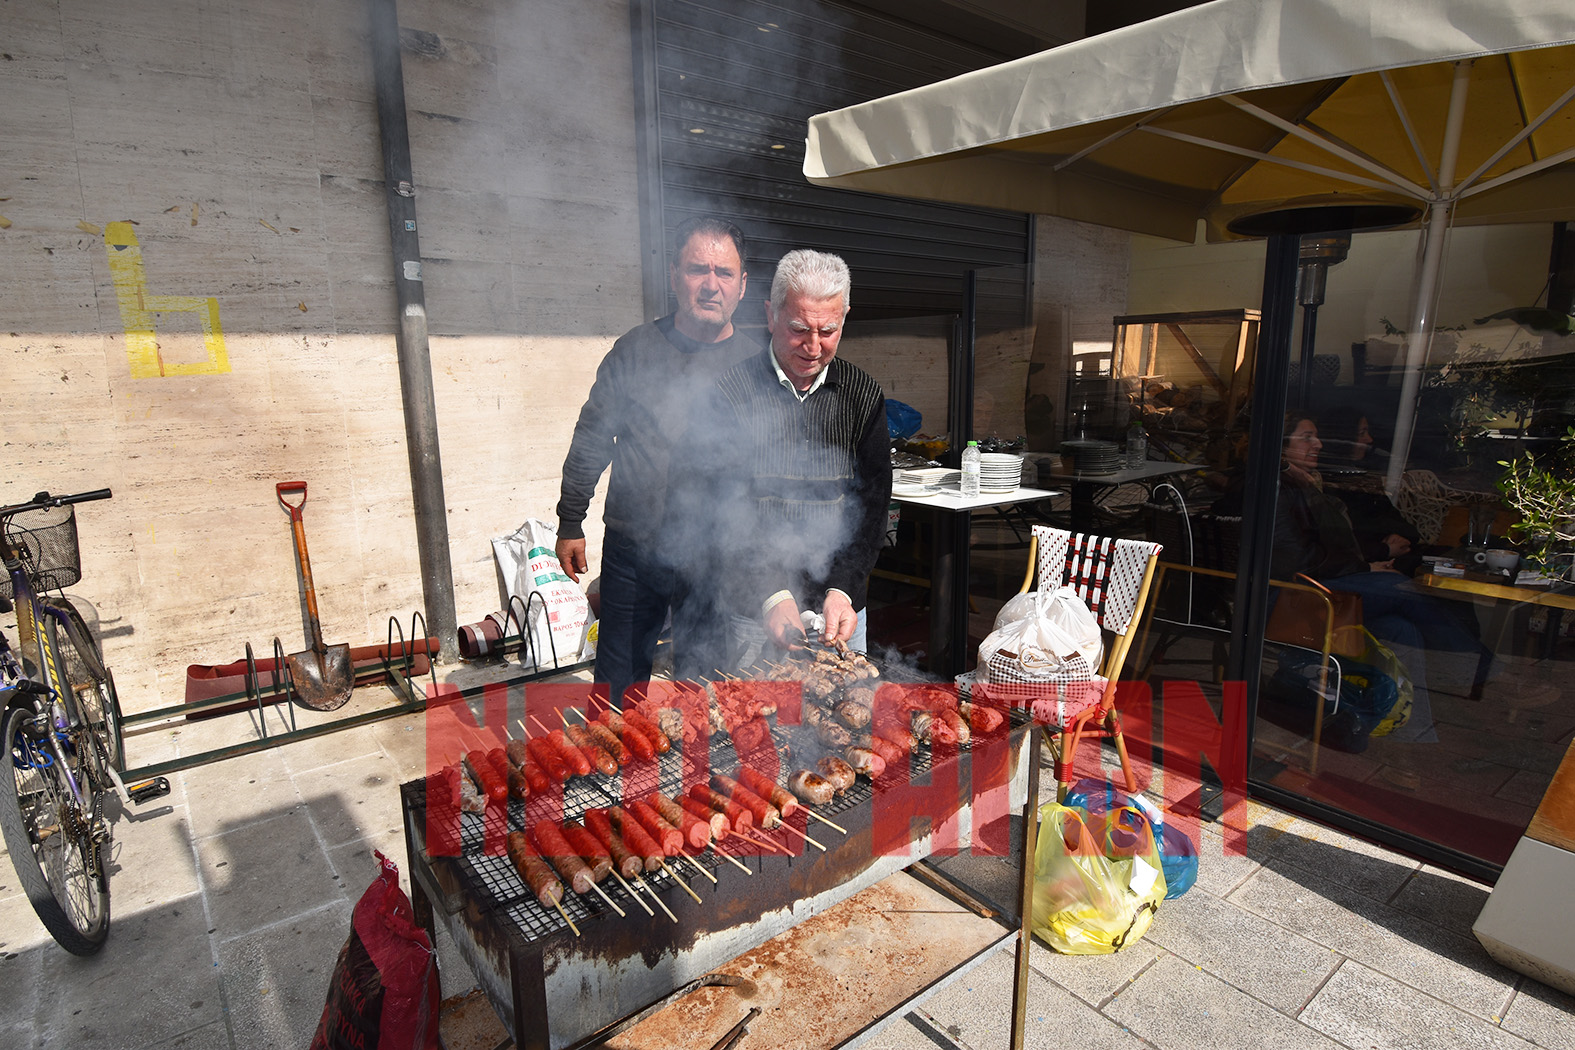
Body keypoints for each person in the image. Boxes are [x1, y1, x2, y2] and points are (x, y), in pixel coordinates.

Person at [553, 216, 758, 703]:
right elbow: (592, 437)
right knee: (618, 685)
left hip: (713, 555)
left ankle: (697, 774)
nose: (711, 284)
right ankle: (611, 769)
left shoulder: (757, 366)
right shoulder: (635, 350)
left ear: (743, 285)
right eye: (697, 269)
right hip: (635, 547)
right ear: (673, 275)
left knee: (704, 683)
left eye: (724, 273)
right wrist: (570, 519)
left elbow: (769, 464)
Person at [1216, 412, 1487, 743]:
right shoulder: (1270, 486)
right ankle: (1475, 667)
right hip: (1283, 599)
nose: (1317, 444)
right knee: (1401, 589)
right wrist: (1364, 568)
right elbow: (1292, 559)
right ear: (1279, 446)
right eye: (1305, 437)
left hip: (1309, 588)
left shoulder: (1300, 482)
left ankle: (1403, 727)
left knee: (1399, 628)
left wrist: (1367, 558)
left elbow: (1321, 545)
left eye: (1316, 436)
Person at [689, 249, 892, 663]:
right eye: (799, 328)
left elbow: (873, 506)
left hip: (841, 613)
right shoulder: (730, 394)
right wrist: (771, 593)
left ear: (845, 317)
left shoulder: (863, 395)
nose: (813, 347)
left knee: (846, 720)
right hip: (754, 613)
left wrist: (844, 588)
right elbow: (720, 509)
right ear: (770, 315)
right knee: (756, 725)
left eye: (829, 330)